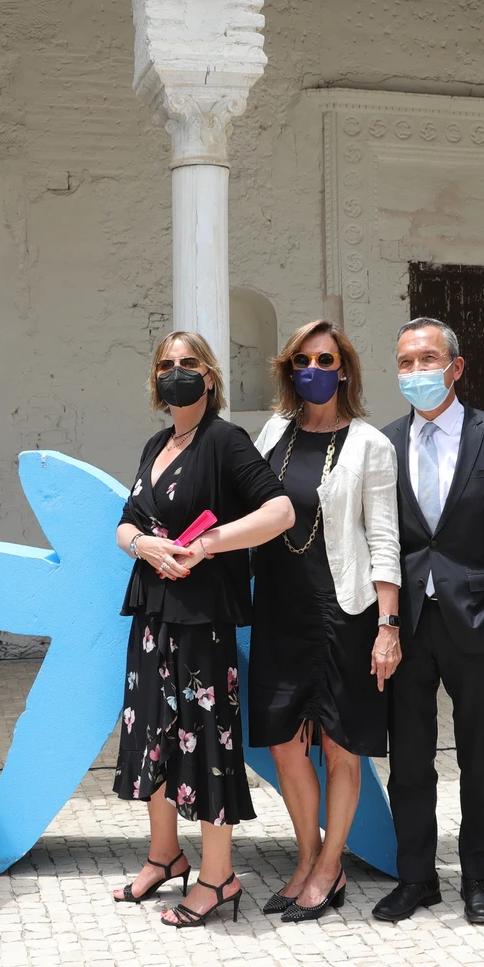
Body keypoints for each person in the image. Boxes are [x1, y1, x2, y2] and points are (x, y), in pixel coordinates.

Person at [111, 331, 294, 927]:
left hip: (203, 622)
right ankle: (165, 857)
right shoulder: (156, 443)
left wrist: (212, 544)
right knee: (153, 740)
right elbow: (125, 523)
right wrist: (142, 545)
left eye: (188, 363)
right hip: (152, 616)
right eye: (165, 363)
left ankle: (219, 877)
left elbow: (280, 510)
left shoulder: (225, 441)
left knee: (207, 742)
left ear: (209, 377)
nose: (176, 372)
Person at [374, 317, 484, 926]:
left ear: (456, 367)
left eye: (428, 359)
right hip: (406, 624)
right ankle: (416, 878)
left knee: (478, 757)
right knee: (409, 761)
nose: (416, 371)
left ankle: (476, 878)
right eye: (406, 362)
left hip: (477, 623)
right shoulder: (382, 443)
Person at [249, 320, 401, 923]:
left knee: (341, 747)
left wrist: (388, 625)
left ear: (344, 368)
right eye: (302, 361)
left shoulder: (370, 444)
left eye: (326, 358)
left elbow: (385, 538)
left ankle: (330, 865)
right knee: (285, 745)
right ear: (290, 370)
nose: (314, 368)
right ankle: (308, 858)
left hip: (345, 613)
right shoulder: (273, 433)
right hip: (279, 612)